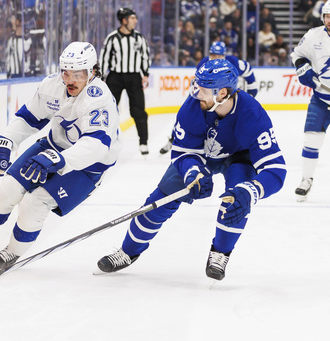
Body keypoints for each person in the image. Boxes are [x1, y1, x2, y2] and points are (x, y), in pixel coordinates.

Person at [97, 59, 286, 280]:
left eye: (204, 89)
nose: (196, 92)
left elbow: (276, 169)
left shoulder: (253, 114)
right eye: (197, 85)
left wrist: (252, 190)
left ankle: (220, 252)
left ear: (222, 93)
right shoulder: (191, 108)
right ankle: (128, 252)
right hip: (200, 155)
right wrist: (193, 173)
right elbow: (182, 153)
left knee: (237, 200)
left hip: (239, 157)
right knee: (158, 201)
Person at [0, 42, 122, 268]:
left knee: (35, 203)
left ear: (92, 72)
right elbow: (29, 118)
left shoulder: (99, 98)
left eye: (78, 74)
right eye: (66, 72)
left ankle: (12, 252)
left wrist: (62, 160)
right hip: (53, 146)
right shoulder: (52, 86)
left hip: (88, 165)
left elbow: (97, 144)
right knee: (7, 188)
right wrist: (6, 139)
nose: (70, 80)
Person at [160, 41, 259, 154]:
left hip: (225, 98)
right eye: (213, 55)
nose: (216, 58)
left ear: (224, 55)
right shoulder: (203, 64)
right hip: (206, 95)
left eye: (219, 55)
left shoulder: (234, 62)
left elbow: (248, 70)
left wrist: (251, 93)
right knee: (186, 113)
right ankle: (175, 138)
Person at [291, 1, 330, 201]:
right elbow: (297, 55)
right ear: (323, 17)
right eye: (328, 16)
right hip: (321, 99)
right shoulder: (313, 35)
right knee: (311, 140)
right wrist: (302, 67)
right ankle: (306, 179)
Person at [99, 7, 151, 155]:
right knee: (109, 109)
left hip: (134, 77)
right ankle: (106, 140)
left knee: (138, 110)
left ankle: (143, 142)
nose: (135, 21)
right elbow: (104, 58)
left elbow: (145, 56)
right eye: (132, 18)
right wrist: (102, 77)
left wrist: (145, 74)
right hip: (115, 77)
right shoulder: (112, 38)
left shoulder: (139, 38)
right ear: (124, 20)